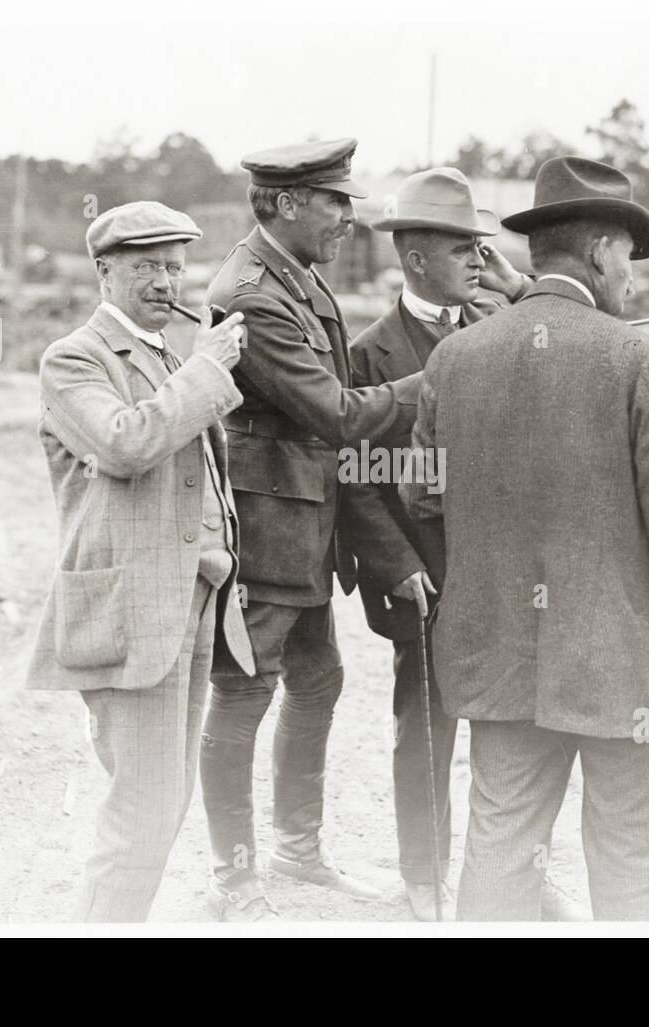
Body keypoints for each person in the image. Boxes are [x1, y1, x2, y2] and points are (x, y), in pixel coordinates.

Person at [400, 157, 649, 920]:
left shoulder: (453, 359)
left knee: (499, 851)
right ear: (598, 250)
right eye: (628, 253)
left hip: (498, 662)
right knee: (636, 864)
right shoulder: (642, 362)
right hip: (627, 673)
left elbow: (420, 494)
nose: (634, 275)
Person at [344, 166, 589, 921]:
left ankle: (516, 869)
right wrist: (399, 565)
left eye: (483, 249)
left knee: (513, 730)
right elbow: (353, 475)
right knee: (425, 728)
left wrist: (521, 292)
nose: (478, 262)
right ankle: (425, 872)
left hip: (502, 573)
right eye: (462, 251)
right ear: (416, 257)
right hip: (420, 578)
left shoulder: (501, 331)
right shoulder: (369, 355)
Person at [199, 139, 423, 921]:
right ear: (288, 203)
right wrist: (439, 376)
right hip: (266, 531)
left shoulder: (298, 279)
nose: (349, 218)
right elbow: (335, 411)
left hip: (305, 527)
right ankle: (233, 876)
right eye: (336, 201)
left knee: (317, 678)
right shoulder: (253, 294)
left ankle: (297, 849)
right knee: (242, 692)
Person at [26, 201, 252, 921]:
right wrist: (210, 370)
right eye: (148, 266)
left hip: (186, 604)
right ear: (104, 271)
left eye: (176, 267)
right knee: (145, 806)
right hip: (130, 612)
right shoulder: (74, 358)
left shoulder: (168, 354)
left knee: (164, 800)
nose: (166, 281)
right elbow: (125, 443)